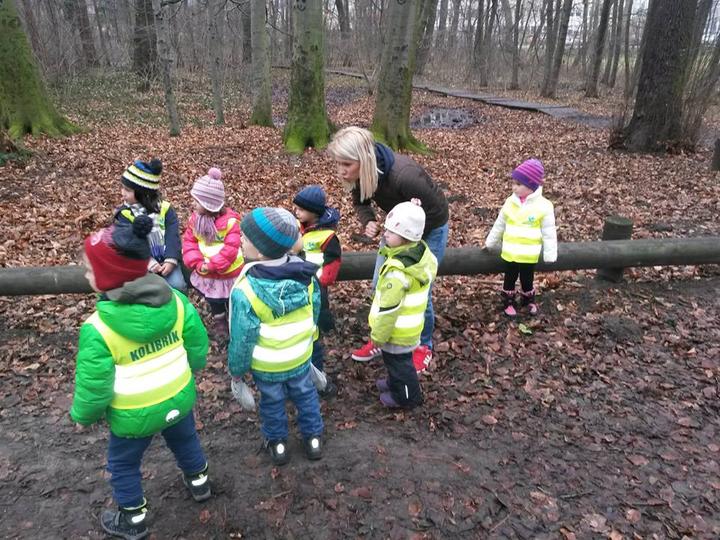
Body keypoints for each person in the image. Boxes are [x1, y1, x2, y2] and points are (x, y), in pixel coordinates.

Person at [71, 215, 211, 540]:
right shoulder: (177, 303)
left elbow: (94, 385)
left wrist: (83, 417)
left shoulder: (98, 328)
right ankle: (200, 482)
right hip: (178, 397)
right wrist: (194, 367)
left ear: (108, 277)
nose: (86, 275)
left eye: (90, 270)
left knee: (123, 464)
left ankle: (133, 518)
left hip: (133, 416)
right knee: (186, 440)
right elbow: (197, 345)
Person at [327, 126, 449, 373]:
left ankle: (422, 346)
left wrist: (407, 244)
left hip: (429, 228)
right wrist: (369, 220)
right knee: (381, 284)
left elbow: (437, 212)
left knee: (417, 291)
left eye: (346, 164)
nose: (341, 171)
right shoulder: (364, 174)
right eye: (338, 163)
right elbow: (360, 201)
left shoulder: (405, 176)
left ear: (364, 159)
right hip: (396, 227)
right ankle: (381, 339)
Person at [228, 208, 324, 466]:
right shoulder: (306, 277)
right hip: (300, 357)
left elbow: (242, 338)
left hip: (267, 366)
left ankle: (278, 444)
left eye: (245, 238)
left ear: (260, 252)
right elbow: (314, 312)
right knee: (306, 395)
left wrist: (237, 373)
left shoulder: (246, 290)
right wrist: (307, 342)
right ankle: (314, 439)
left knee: (272, 402)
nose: (240, 240)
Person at [369, 201, 438, 409]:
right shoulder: (421, 255)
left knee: (400, 366)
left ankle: (408, 397)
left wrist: (378, 336)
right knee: (396, 362)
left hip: (396, 332)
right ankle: (394, 384)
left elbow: (389, 310)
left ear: (406, 237)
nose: (385, 234)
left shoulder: (397, 273)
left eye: (391, 232)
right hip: (410, 328)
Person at [484, 158, 557, 316]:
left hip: (529, 253)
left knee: (527, 278)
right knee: (509, 277)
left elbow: (549, 231)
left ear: (531, 186)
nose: (514, 187)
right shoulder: (510, 202)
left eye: (519, 184)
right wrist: (490, 242)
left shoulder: (544, 206)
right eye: (513, 183)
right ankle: (508, 301)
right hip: (510, 251)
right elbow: (499, 224)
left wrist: (550, 254)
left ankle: (528, 300)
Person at [182, 167, 243, 341]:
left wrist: (213, 265)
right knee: (214, 299)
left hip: (228, 272)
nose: (193, 204)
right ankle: (220, 320)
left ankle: (234, 320)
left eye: (197, 201)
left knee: (231, 298)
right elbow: (189, 242)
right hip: (206, 270)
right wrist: (196, 262)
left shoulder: (230, 223)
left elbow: (231, 249)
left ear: (209, 204)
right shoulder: (195, 220)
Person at [293, 185, 342, 398]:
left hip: (316, 285)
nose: (297, 212)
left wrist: (324, 280)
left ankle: (316, 374)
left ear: (314, 212)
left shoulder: (327, 235)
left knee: (315, 328)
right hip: (299, 283)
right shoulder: (298, 228)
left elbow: (333, 259)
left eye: (301, 209)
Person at [115, 158, 186, 292]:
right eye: (123, 188)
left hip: (166, 259)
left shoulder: (165, 209)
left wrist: (171, 259)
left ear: (143, 193)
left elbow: (172, 235)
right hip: (141, 262)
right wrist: (148, 261)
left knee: (177, 285)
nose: (122, 193)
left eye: (127, 190)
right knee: (146, 290)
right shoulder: (125, 214)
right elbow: (130, 243)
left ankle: (179, 304)